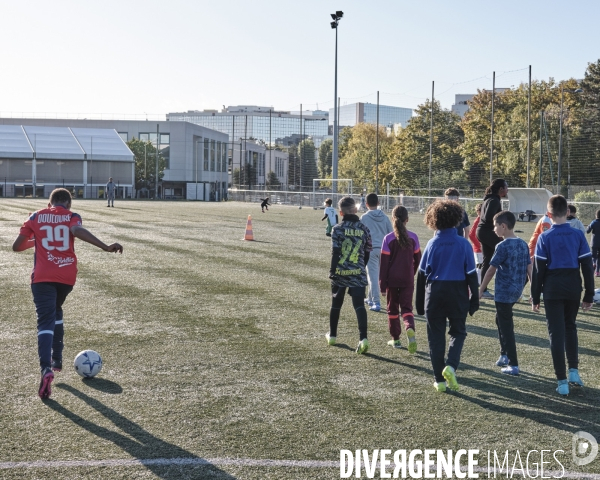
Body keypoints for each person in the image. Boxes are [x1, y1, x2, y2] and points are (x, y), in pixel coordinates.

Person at [12, 188, 123, 399]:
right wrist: (104, 247)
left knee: (45, 320)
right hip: (66, 277)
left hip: (42, 276)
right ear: (68, 205)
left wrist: (37, 239)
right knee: (56, 309)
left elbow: (16, 246)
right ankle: (57, 358)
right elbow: (76, 231)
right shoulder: (72, 216)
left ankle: (46, 368)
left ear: (49, 203)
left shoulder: (35, 216)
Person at [531, 195, 594, 396]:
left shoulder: (545, 236)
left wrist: (535, 296)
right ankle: (573, 372)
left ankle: (562, 381)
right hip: (573, 287)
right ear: (567, 212)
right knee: (570, 327)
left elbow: (538, 271)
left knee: (556, 333)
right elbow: (587, 266)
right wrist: (589, 295)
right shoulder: (577, 234)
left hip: (552, 288)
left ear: (548, 215)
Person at [416, 200, 479, 392]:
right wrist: (474, 299)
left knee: (435, 337)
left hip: (434, 292)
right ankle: (451, 366)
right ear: (457, 218)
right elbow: (471, 275)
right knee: (458, 332)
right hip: (457, 292)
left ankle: (439, 381)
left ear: (433, 219)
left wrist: (418, 302)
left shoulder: (432, 243)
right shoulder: (464, 244)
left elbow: (421, 275)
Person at [479, 211, 532, 376]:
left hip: (503, 292)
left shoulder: (502, 246)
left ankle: (513, 363)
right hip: (516, 291)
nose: (494, 229)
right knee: (500, 319)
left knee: (506, 326)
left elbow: (490, 271)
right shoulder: (523, 244)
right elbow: (530, 269)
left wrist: (480, 290)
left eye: (495, 226)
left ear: (503, 226)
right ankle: (503, 354)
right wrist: (534, 291)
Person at [326, 196, 373, 354]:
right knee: (359, 305)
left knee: (336, 304)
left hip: (341, 272)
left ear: (341, 212)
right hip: (358, 271)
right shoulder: (364, 229)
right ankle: (363, 338)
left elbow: (336, 252)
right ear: (356, 210)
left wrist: (333, 271)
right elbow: (367, 253)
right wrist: (361, 267)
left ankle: (332, 335)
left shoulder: (337, 229)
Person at [379, 205, 421, 352]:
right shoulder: (414, 237)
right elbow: (418, 260)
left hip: (392, 280)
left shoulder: (388, 239)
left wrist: (382, 286)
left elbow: (383, 265)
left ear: (393, 219)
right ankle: (410, 328)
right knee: (407, 308)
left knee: (392, 309)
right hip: (407, 279)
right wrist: (411, 272)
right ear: (407, 220)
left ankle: (395, 339)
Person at [360, 193, 393, 312]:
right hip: (384, 250)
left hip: (371, 249)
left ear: (366, 204)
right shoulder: (385, 217)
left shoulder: (364, 217)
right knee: (376, 275)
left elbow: (361, 234)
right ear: (378, 203)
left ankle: (376, 302)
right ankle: (370, 298)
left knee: (373, 276)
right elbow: (391, 233)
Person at [476, 179, 508, 299]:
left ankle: (483, 290)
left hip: (482, 231)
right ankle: (505, 286)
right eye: (506, 187)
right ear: (501, 189)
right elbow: (490, 217)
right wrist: (502, 218)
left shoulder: (489, 198)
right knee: (504, 254)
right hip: (488, 232)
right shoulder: (494, 200)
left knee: (488, 260)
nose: (507, 189)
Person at [468, 203, 483, 283]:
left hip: (481, 248)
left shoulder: (483, 220)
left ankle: (480, 282)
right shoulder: (478, 220)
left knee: (482, 266)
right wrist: (479, 245)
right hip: (478, 249)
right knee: (479, 266)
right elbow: (471, 235)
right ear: (478, 212)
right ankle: (477, 283)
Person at [586, 209, 600, 276]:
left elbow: (588, 231)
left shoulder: (594, 222)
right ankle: (597, 271)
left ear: (596, 215)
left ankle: (593, 265)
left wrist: (588, 226)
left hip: (594, 242)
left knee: (593, 256)